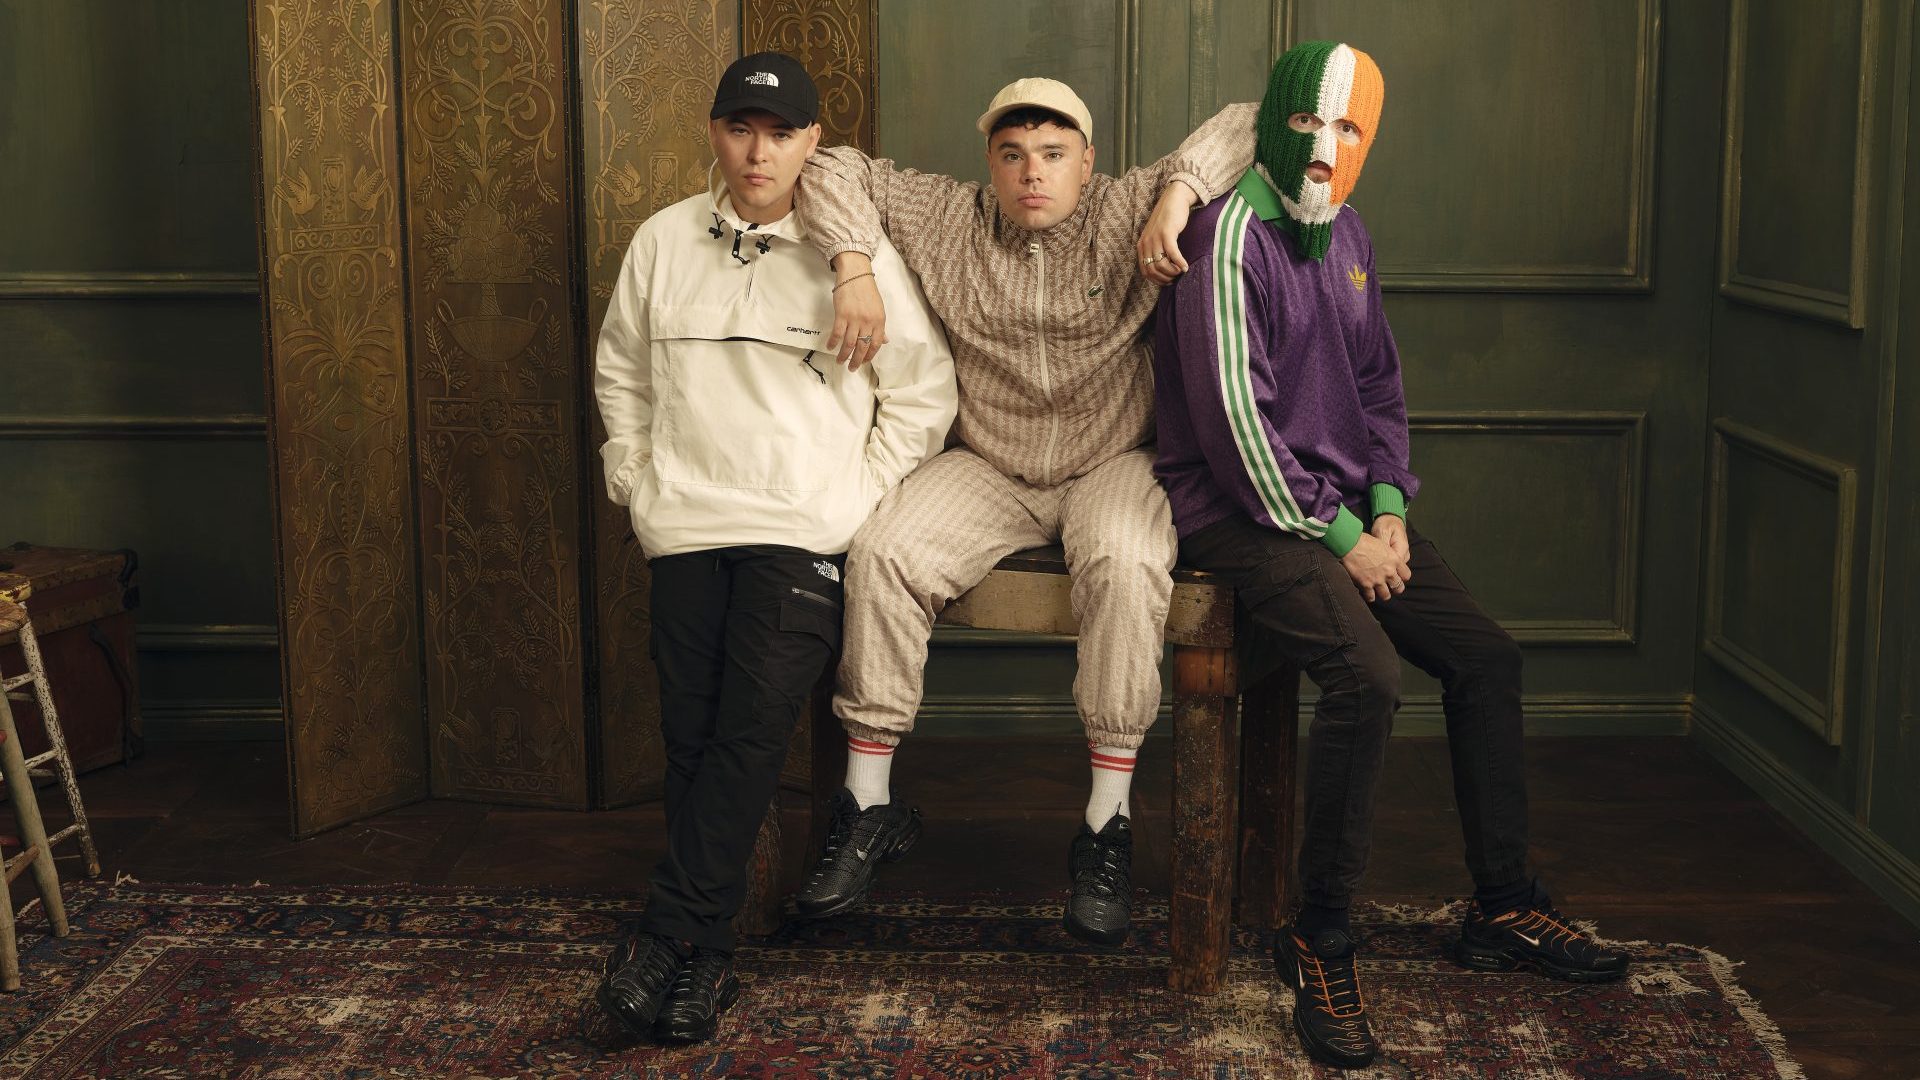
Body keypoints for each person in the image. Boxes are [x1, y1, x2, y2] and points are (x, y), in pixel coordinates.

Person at [1151, 40, 1628, 1069]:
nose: (1328, 150)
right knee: (1367, 678)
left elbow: (1376, 387)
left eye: (1352, 129)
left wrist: (1388, 508)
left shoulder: (1350, 231)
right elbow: (1240, 436)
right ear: (1273, 122)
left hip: (1346, 512)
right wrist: (1342, 537)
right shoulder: (1222, 239)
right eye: (1308, 125)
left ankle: (1501, 906)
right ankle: (1316, 937)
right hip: (1242, 513)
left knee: (1486, 659)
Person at [790, 77, 1256, 946]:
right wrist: (852, 264)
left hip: (1111, 459)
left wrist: (1181, 194)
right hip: (992, 464)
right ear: (991, 166)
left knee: (1122, 562)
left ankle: (1106, 823)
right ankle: (867, 804)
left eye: (1051, 155)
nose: (1030, 173)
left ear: (1087, 163)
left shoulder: (1129, 207)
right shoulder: (948, 216)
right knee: (884, 551)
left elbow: (1252, 123)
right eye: (1011, 156)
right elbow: (827, 166)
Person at [589, 51, 955, 1045]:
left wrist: (855, 496)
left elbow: (924, 397)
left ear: (813, 143)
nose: (760, 152)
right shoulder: (664, 239)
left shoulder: (854, 253)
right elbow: (620, 367)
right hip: (685, 524)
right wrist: (634, 476)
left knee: (750, 734)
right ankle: (703, 959)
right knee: (694, 739)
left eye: (783, 133)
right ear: (714, 132)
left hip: (801, 533)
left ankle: (668, 939)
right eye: (742, 129)